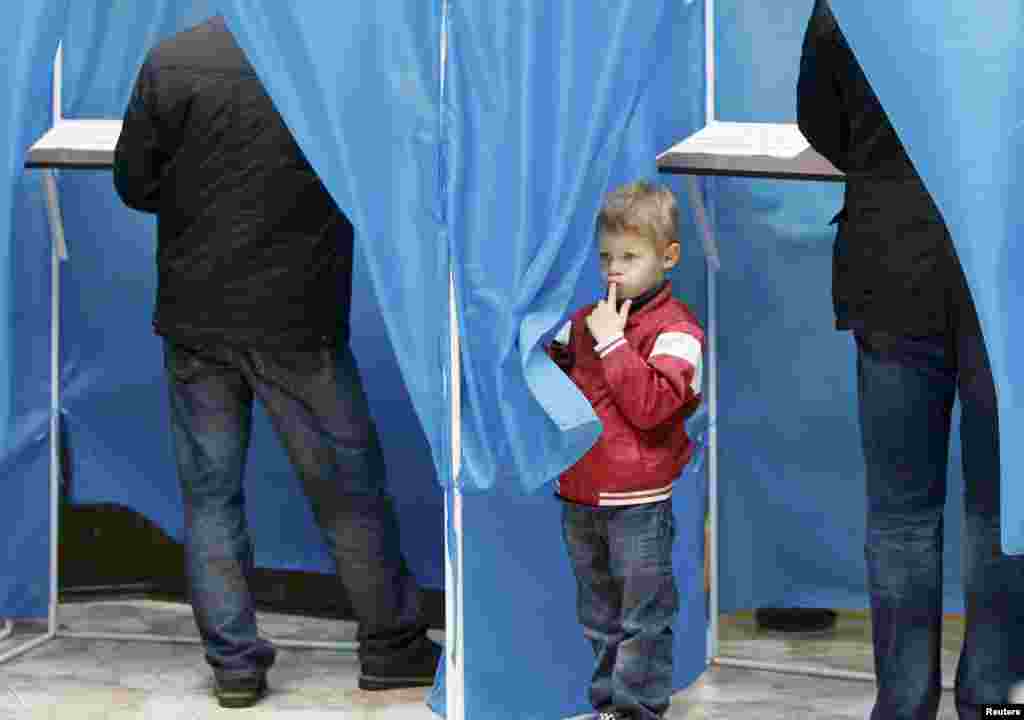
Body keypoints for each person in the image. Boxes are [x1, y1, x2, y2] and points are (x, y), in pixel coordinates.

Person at [112, 15, 440, 709]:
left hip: (196, 317)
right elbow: (384, 178)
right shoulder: (333, 65)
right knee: (348, 495)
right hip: (300, 319)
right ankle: (392, 648)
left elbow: (134, 185)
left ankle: (234, 667)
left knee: (210, 498)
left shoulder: (173, 58)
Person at [797, 2, 1024, 718]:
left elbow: (821, 124)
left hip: (889, 262)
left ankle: (902, 707)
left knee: (900, 517)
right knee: (998, 507)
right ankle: (990, 700)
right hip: (1002, 268)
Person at [547, 182, 704, 720]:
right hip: (580, 493)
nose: (615, 270)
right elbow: (553, 378)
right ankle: (608, 706)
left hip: (638, 501)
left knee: (643, 616)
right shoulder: (586, 322)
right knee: (598, 617)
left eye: (630, 257)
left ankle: (638, 709)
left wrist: (613, 342)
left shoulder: (679, 332)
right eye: (607, 257)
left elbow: (653, 406)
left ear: (668, 257)